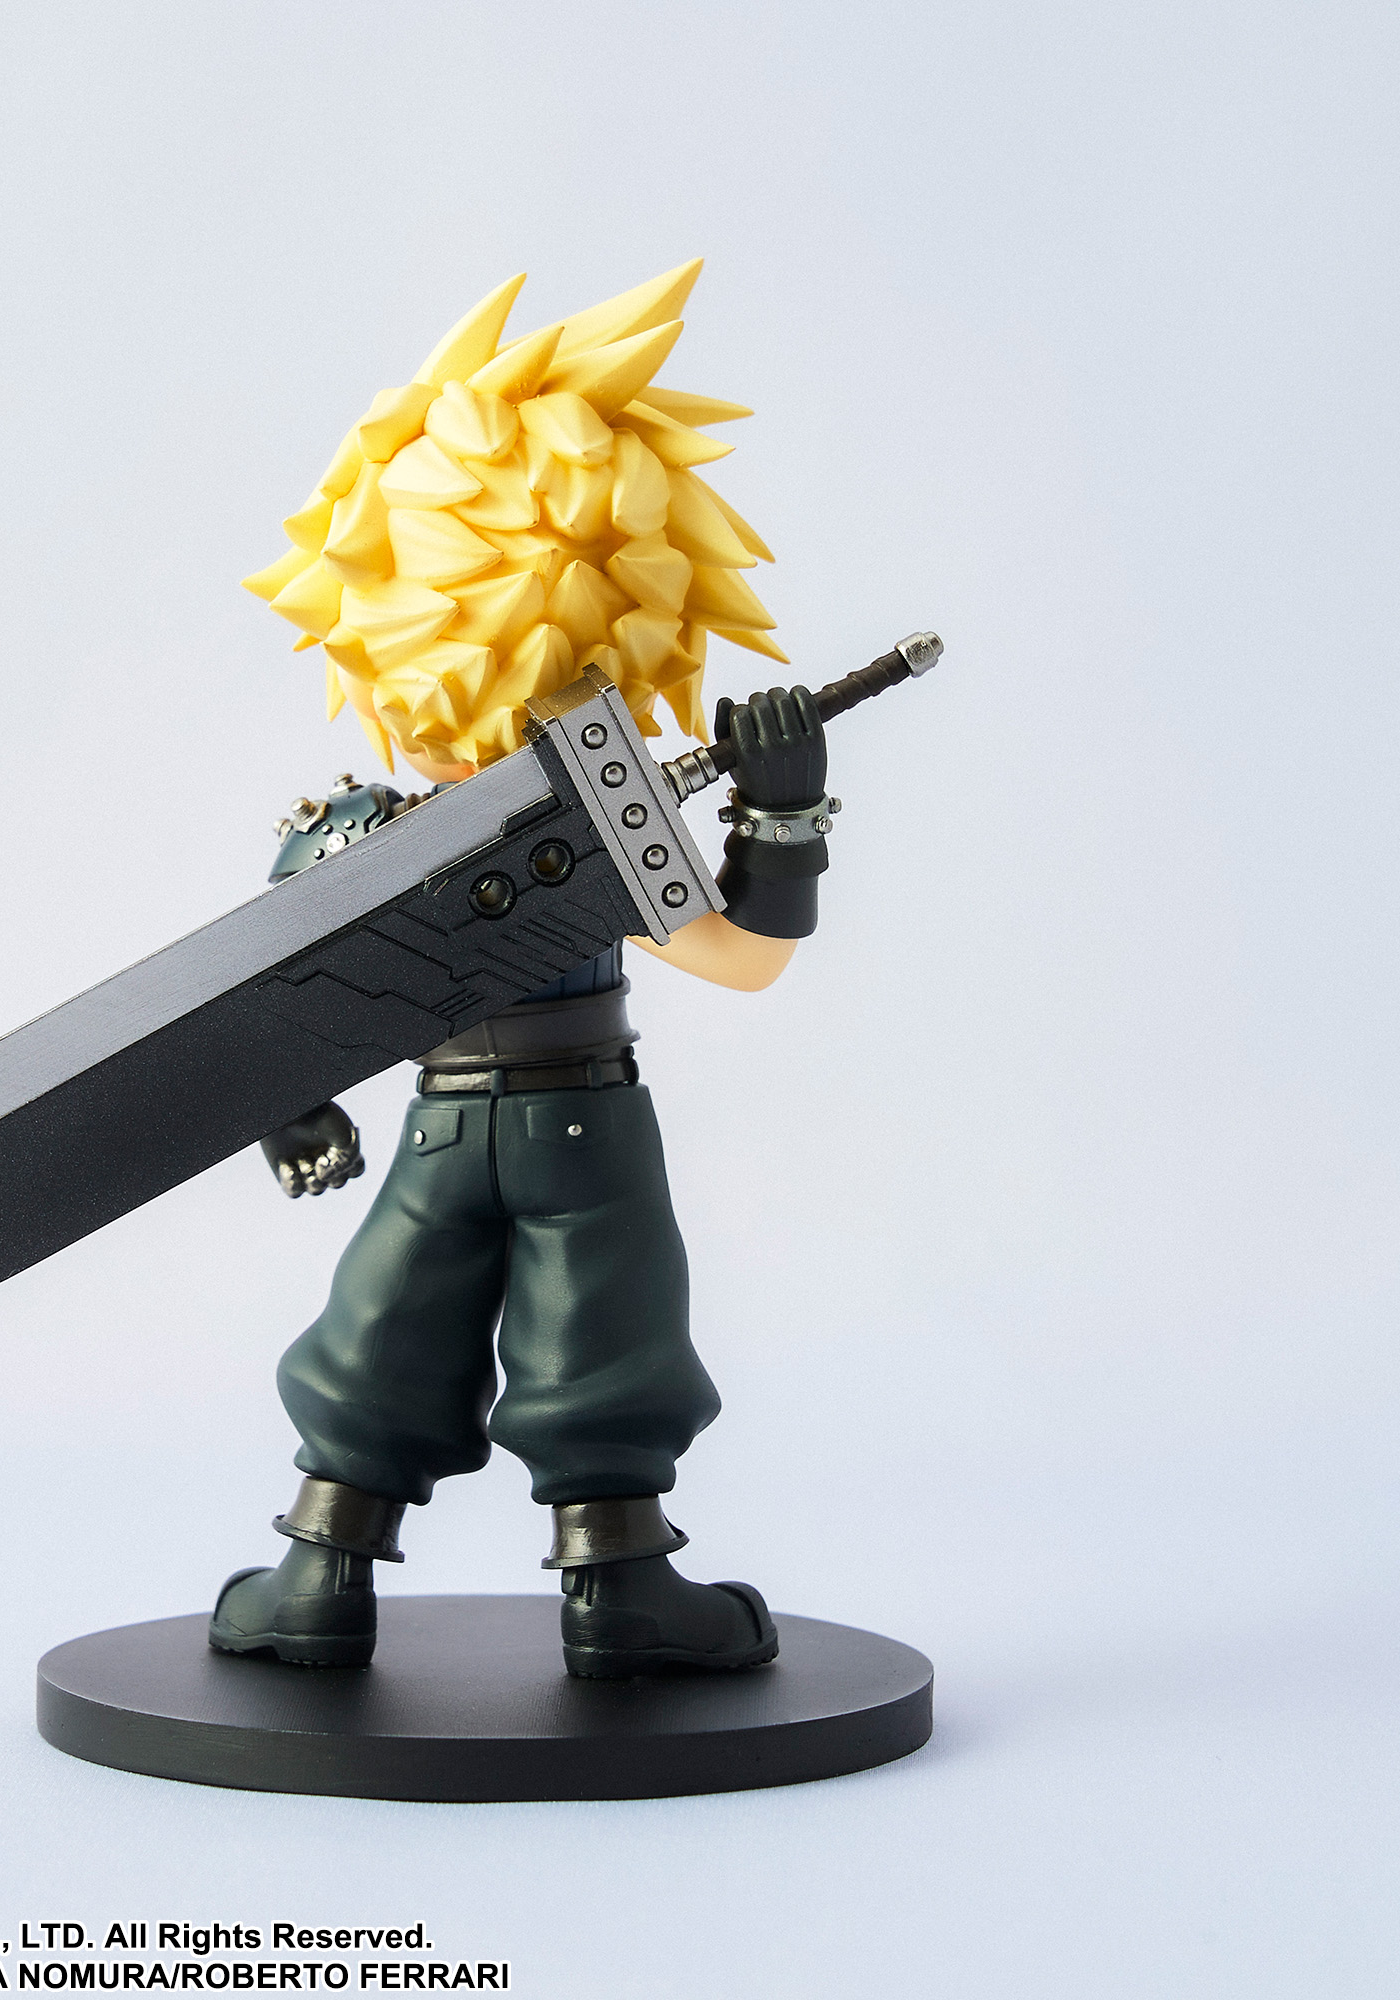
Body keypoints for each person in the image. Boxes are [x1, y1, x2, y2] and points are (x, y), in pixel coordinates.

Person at [213, 264, 831, 1677]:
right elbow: (744, 959)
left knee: (472, 1325)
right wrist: (782, 823)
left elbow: (735, 958)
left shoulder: (592, 817)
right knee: (447, 1325)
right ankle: (454, 1576)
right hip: (562, 1118)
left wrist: (781, 811)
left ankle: (372, 1574)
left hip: (489, 1125)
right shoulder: (447, 831)